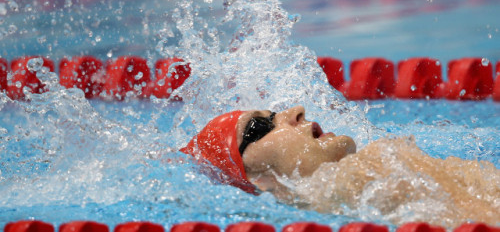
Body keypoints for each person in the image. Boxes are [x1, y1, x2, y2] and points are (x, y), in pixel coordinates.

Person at [181, 106, 500, 228]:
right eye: (260, 128)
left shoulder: (375, 164)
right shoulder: (355, 178)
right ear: (259, 181)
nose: (295, 111)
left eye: (276, 112)